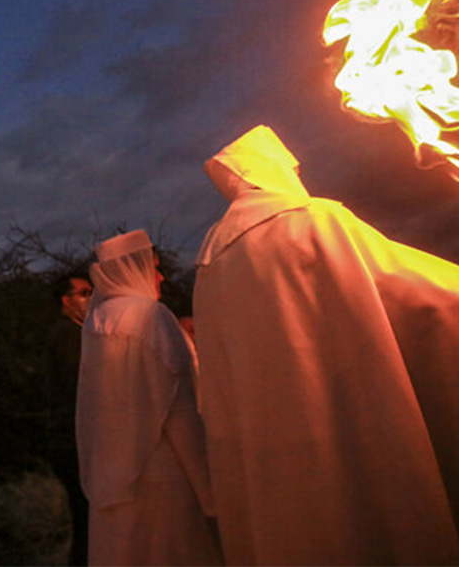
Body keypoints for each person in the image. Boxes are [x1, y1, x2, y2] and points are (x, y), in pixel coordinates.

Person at [193, 124, 459, 565]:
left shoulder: (211, 264)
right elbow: (406, 289)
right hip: (347, 416)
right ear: (271, 171)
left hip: (272, 451)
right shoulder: (314, 220)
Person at [76, 230, 220, 566]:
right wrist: (212, 494)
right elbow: (180, 412)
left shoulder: (98, 320)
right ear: (131, 269)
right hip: (163, 481)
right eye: (153, 267)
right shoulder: (151, 317)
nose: (161, 276)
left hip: (111, 483)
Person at [45, 271, 92, 565]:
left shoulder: (77, 332)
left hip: (72, 436)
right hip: (69, 439)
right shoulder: (66, 336)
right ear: (66, 300)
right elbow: (79, 385)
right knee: (83, 517)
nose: (90, 298)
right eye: (84, 293)